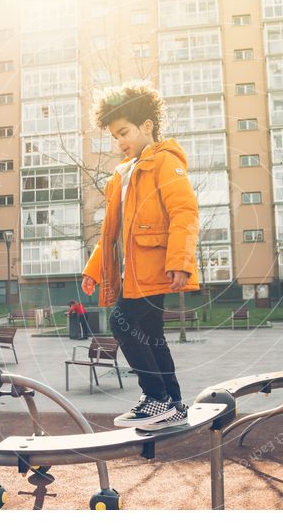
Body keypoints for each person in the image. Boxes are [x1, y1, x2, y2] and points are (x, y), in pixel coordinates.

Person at [81, 82, 199, 430]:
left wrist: (179, 262)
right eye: (115, 136)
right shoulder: (122, 175)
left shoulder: (164, 162)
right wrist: (96, 270)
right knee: (152, 334)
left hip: (154, 267)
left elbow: (185, 212)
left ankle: (156, 397)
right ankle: (174, 403)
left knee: (121, 321)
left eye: (124, 132)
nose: (120, 142)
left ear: (146, 126)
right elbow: (112, 234)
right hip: (131, 271)